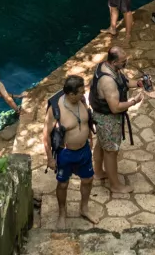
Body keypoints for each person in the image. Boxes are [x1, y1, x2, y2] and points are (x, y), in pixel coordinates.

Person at [43, 75, 100, 227]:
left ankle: (84, 208)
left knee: (88, 179)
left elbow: (86, 121)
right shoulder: (55, 109)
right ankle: (62, 212)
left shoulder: (81, 100)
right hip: (66, 153)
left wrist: (90, 139)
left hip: (84, 150)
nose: (84, 94)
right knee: (63, 184)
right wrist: (50, 158)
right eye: (81, 92)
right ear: (71, 94)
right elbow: (45, 136)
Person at [90, 46, 146, 193]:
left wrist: (139, 83)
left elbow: (124, 82)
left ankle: (98, 172)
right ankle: (115, 185)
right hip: (107, 119)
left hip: (100, 116)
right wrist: (134, 101)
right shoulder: (107, 81)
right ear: (114, 62)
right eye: (123, 61)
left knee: (101, 144)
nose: (126, 62)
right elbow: (115, 107)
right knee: (110, 151)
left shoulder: (106, 66)